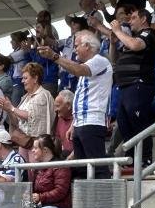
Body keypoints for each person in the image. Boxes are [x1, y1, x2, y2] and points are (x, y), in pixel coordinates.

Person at [39, 31, 113, 178]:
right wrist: (74, 124)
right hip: (82, 123)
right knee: (82, 169)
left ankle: (105, 193)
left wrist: (54, 56)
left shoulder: (100, 60)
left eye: (77, 46)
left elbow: (79, 70)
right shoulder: (88, 66)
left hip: (92, 122)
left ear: (87, 46)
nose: (74, 49)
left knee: (98, 167)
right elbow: (81, 97)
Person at [97, 8, 155, 169]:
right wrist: (113, 43)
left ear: (144, 19)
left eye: (133, 18)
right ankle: (132, 158)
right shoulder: (131, 38)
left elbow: (136, 45)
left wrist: (118, 31)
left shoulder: (149, 33)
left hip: (139, 84)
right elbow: (114, 59)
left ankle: (145, 158)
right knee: (124, 123)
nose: (129, 21)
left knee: (139, 121)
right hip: (125, 87)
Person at [0, 62, 54, 162]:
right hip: (24, 142)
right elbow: (16, 122)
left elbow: (31, 116)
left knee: (35, 170)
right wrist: (8, 110)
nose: (22, 81)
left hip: (37, 144)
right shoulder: (25, 97)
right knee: (24, 170)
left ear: (35, 79)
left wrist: (11, 108)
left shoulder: (43, 95)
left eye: (25, 78)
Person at [28, 135, 73, 208]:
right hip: (41, 207)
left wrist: (40, 197)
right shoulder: (38, 168)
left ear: (45, 150)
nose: (32, 150)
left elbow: (60, 192)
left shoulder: (61, 166)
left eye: (35, 148)